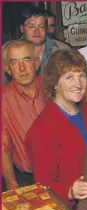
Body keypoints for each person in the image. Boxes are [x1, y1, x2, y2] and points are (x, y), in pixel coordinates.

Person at [26, 49, 87, 207]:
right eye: (69, 77)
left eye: (82, 75)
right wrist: (70, 191)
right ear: (55, 84)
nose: (78, 84)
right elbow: (43, 185)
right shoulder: (42, 129)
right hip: (71, 208)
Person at [2, 39, 45, 192]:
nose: (22, 68)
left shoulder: (54, 88)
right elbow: (3, 147)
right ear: (7, 68)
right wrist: (11, 184)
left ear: (37, 63)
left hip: (63, 175)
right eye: (14, 62)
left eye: (27, 60)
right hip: (26, 179)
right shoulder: (3, 99)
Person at [2, 6, 70, 85]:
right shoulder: (7, 50)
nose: (37, 31)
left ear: (46, 28)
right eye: (31, 26)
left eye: (41, 26)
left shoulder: (63, 50)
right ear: (22, 28)